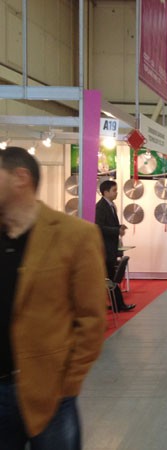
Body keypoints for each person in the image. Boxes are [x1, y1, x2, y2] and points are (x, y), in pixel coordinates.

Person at [0, 146, 106, 449]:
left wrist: (67, 384)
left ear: (20, 178)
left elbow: (91, 318)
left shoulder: (75, 235)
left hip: (50, 393)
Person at [95, 180, 135, 312]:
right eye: (114, 190)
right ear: (105, 192)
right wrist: (116, 230)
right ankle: (118, 305)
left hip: (111, 248)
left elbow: (109, 225)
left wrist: (119, 227)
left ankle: (117, 305)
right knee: (111, 278)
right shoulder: (100, 207)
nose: (116, 193)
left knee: (111, 278)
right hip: (105, 249)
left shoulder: (111, 206)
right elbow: (99, 227)